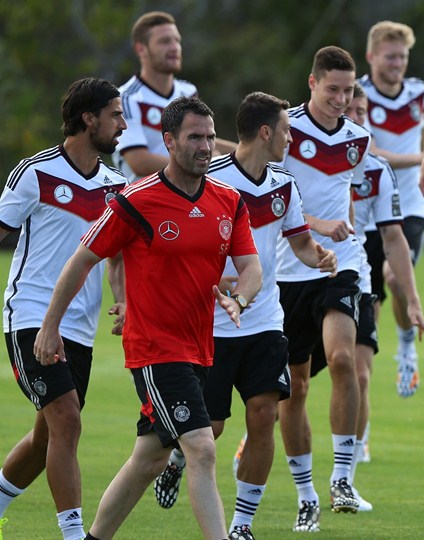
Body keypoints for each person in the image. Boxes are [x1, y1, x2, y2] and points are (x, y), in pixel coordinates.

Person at [35, 96, 262, 539]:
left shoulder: (229, 201)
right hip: (155, 349)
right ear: (169, 141)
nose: (205, 146)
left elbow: (251, 268)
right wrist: (49, 326)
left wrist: (241, 299)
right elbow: (82, 260)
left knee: (150, 458)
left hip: (200, 347)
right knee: (201, 446)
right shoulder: (136, 200)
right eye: (195, 137)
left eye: (211, 137)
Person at [201, 92, 337, 539]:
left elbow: (298, 243)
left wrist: (318, 256)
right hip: (213, 324)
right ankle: (179, 455)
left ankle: (241, 526)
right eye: (285, 129)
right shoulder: (211, 181)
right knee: (212, 428)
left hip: (264, 321)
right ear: (266, 132)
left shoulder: (284, 184)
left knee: (264, 415)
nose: (291, 137)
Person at [0, 78, 127, 540]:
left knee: (46, 437)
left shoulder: (118, 186)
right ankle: (74, 535)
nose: (123, 125)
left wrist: (124, 299)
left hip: (81, 328)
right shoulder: (35, 172)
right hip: (31, 316)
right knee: (68, 421)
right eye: (115, 114)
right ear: (89, 119)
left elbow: (116, 257)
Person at [275, 45, 371, 526]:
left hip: (339, 264)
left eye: (348, 90)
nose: (341, 98)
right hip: (287, 268)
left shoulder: (360, 138)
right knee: (292, 388)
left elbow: (345, 197)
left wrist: (342, 229)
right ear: (312, 83)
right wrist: (318, 224)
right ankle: (305, 490)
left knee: (341, 358)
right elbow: (274, 200)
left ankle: (343, 477)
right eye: (332, 89)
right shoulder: (284, 130)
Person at [341, 83, 424, 511]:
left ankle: (352, 456)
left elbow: (393, 234)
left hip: (370, 251)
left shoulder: (378, 169)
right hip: (316, 268)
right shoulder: (314, 158)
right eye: (353, 110)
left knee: (360, 365)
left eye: (364, 111)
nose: (360, 116)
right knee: (296, 375)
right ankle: (256, 431)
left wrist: (416, 303)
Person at [359, 21, 424, 395]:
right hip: (366, 209)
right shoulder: (358, 94)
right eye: (390, 56)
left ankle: (407, 348)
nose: (397, 63)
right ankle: (358, 427)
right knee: (368, 309)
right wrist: (422, 157)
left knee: (396, 277)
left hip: (409, 205)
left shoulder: (418, 91)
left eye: (403, 56)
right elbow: (371, 152)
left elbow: (421, 133)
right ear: (372, 56)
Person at [113, 11, 236, 184]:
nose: (174, 47)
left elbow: (203, 136)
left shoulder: (188, 91)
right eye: (164, 41)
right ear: (141, 48)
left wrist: (244, 154)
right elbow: (139, 161)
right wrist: (206, 163)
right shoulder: (126, 98)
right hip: (146, 200)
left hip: (186, 194)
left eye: (177, 40)